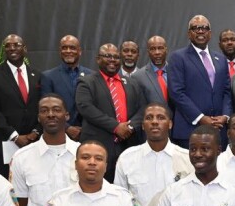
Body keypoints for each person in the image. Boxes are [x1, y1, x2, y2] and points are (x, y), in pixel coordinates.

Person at [74, 43, 146, 181]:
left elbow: (143, 108)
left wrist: (129, 127)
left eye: (116, 57)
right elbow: (86, 108)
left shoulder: (132, 83)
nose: (112, 60)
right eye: (107, 56)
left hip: (128, 144)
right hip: (98, 146)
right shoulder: (87, 82)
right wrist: (115, 127)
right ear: (98, 59)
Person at [0, 33, 42, 175]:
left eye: (16, 45)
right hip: (5, 142)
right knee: (9, 188)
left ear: (25, 49)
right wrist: (14, 136)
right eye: (8, 46)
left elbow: (43, 108)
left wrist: (35, 132)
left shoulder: (37, 75)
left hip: (34, 142)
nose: (12, 48)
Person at [167, 15, 233, 147]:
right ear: (189, 33)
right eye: (195, 28)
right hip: (190, 130)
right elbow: (176, 93)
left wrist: (225, 116)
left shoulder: (221, 59)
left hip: (218, 129)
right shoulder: (178, 57)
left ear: (210, 33)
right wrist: (200, 118)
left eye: (204, 28)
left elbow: (226, 91)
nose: (200, 31)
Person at [41, 35, 96, 140]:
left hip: (87, 133)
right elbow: (46, 108)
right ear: (60, 51)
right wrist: (67, 128)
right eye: (64, 48)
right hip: (59, 133)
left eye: (72, 48)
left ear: (79, 51)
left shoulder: (92, 76)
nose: (68, 51)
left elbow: (95, 106)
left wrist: (85, 128)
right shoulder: (48, 76)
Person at [132, 36, 171, 106]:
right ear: (148, 52)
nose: (157, 52)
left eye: (160, 48)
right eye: (153, 49)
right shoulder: (138, 77)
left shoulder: (177, 72)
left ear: (166, 50)